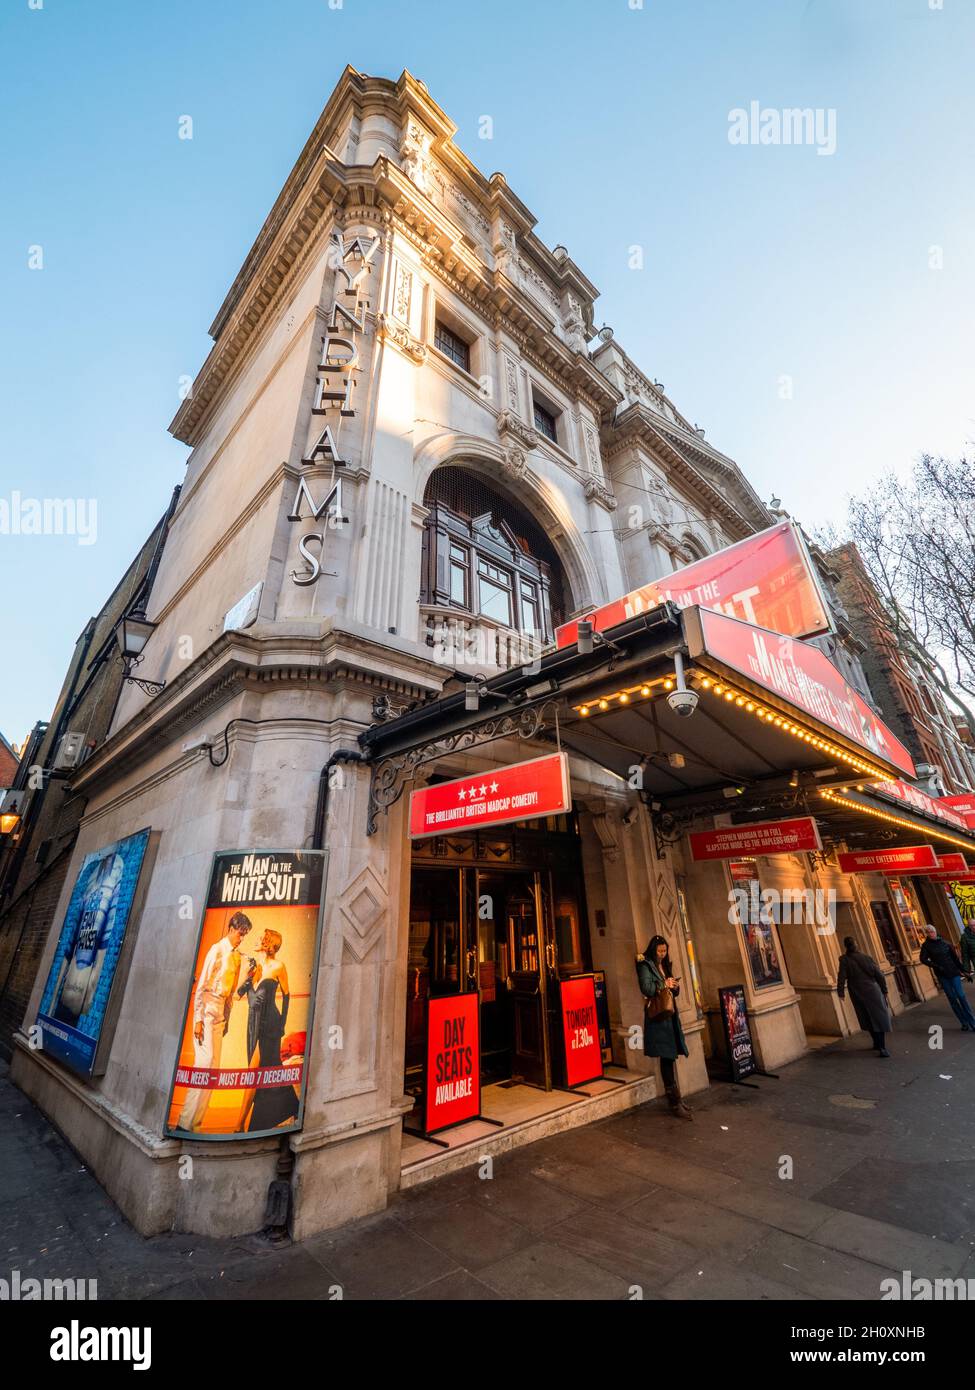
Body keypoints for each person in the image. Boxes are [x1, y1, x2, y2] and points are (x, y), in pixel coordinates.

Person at [176, 911, 252, 1132]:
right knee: (204, 1064)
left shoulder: (237, 956)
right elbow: (201, 987)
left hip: (219, 1015)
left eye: (244, 934)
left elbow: (230, 995)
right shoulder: (216, 950)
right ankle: (184, 1122)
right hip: (207, 1011)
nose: (242, 938)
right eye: (240, 933)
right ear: (231, 929)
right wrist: (198, 1019)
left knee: (213, 1070)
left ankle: (195, 1125)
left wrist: (227, 1019)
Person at [235, 928, 297, 1133]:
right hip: (253, 1023)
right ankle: (288, 1104)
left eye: (262, 938)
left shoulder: (279, 966)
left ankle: (239, 1124)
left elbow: (287, 995)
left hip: (270, 1024)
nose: (258, 939)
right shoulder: (254, 967)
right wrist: (248, 973)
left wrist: (282, 1024)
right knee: (269, 1070)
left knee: (253, 1073)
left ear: (269, 943)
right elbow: (239, 994)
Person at [636, 934, 691, 1120]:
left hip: (670, 1015)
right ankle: (674, 1102)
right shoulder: (644, 964)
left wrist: (674, 986)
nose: (662, 954)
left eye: (664, 951)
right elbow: (646, 988)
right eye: (659, 951)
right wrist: (663, 983)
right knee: (666, 1056)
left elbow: (672, 991)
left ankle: (677, 1099)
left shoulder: (665, 964)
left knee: (671, 1055)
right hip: (658, 1016)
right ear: (653, 949)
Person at [836, 935, 892, 1056]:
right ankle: (881, 1046)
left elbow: (841, 977)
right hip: (873, 990)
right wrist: (884, 990)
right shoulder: (867, 958)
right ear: (856, 945)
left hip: (857, 992)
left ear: (846, 946)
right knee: (878, 1018)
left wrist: (840, 992)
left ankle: (877, 1043)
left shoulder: (844, 960)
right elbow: (879, 976)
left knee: (867, 1017)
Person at [919, 924, 975, 1031]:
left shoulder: (946, 943)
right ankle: (964, 1022)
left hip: (954, 973)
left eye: (932, 931)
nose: (931, 934)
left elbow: (955, 959)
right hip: (942, 975)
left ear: (935, 932)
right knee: (953, 999)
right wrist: (935, 966)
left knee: (961, 996)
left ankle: (972, 1021)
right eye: (929, 932)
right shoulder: (926, 946)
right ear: (926, 934)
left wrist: (964, 972)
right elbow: (923, 959)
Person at [959, 918, 975, 982]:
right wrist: (966, 970)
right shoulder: (964, 937)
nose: (974, 927)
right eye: (972, 925)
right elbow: (965, 955)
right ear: (968, 926)